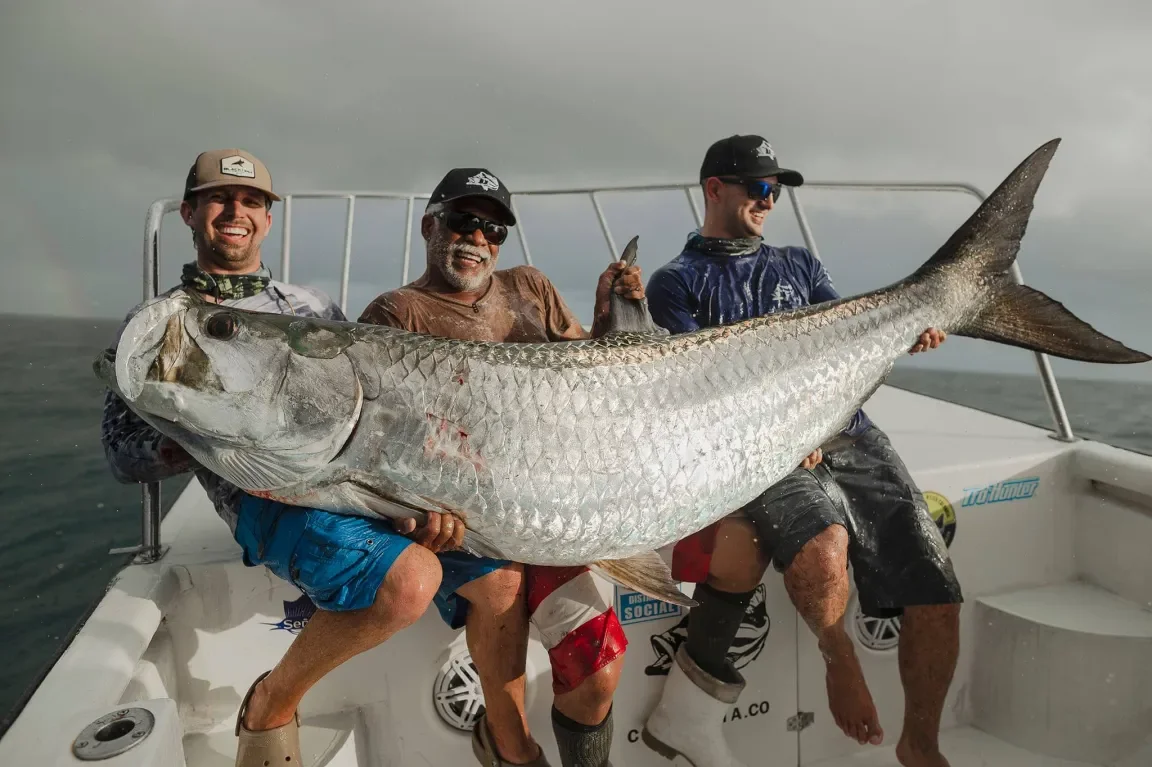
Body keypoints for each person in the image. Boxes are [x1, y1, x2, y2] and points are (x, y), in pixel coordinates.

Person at [99, 150, 520, 767]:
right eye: (218, 198)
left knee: (503, 579)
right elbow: (121, 452)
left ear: (269, 219)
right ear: (189, 212)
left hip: (358, 482)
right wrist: (194, 435)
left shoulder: (313, 309)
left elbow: (377, 410)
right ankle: (271, 702)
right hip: (268, 497)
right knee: (411, 583)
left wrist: (415, 498)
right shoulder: (166, 325)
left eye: (250, 201)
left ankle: (510, 745)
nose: (234, 212)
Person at [640, 135, 961, 767]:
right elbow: (693, 395)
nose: (769, 200)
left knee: (935, 583)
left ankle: (921, 742)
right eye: (759, 187)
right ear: (715, 189)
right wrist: (788, 434)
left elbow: (844, 348)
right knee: (824, 544)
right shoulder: (675, 283)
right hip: (756, 446)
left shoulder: (800, 265)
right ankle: (839, 661)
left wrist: (899, 340)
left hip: (846, 429)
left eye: (776, 190)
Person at [359, 167, 642, 767]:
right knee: (501, 584)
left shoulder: (529, 287)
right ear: (429, 224)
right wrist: (415, 512)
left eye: (493, 229)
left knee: (599, 675)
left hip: (551, 506)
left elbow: (593, 380)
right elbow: (379, 446)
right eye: (464, 221)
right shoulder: (395, 313)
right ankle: (511, 748)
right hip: (469, 523)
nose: (478, 239)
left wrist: (610, 314)